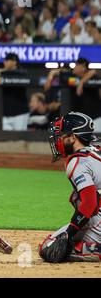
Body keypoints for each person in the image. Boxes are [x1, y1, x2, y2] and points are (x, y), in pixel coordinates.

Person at [39, 112, 101, 263]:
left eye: (63, 135)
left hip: (98, 221)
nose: (58, 140)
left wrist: (69, 233)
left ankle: (95, 248)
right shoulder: (97, 151)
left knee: (48, 248)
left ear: (73, 138)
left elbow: (89, 203)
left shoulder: (78, 162)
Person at [0, 53, 29, 131]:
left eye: (8, 60)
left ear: (14, 62)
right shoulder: (1, 73)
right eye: (5, 60)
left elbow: (25, 76)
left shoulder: (22, 73)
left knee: (20, 139)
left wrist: (5, 72)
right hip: (5, 114)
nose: (5, 62)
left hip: (20, 114)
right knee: (5, 140)